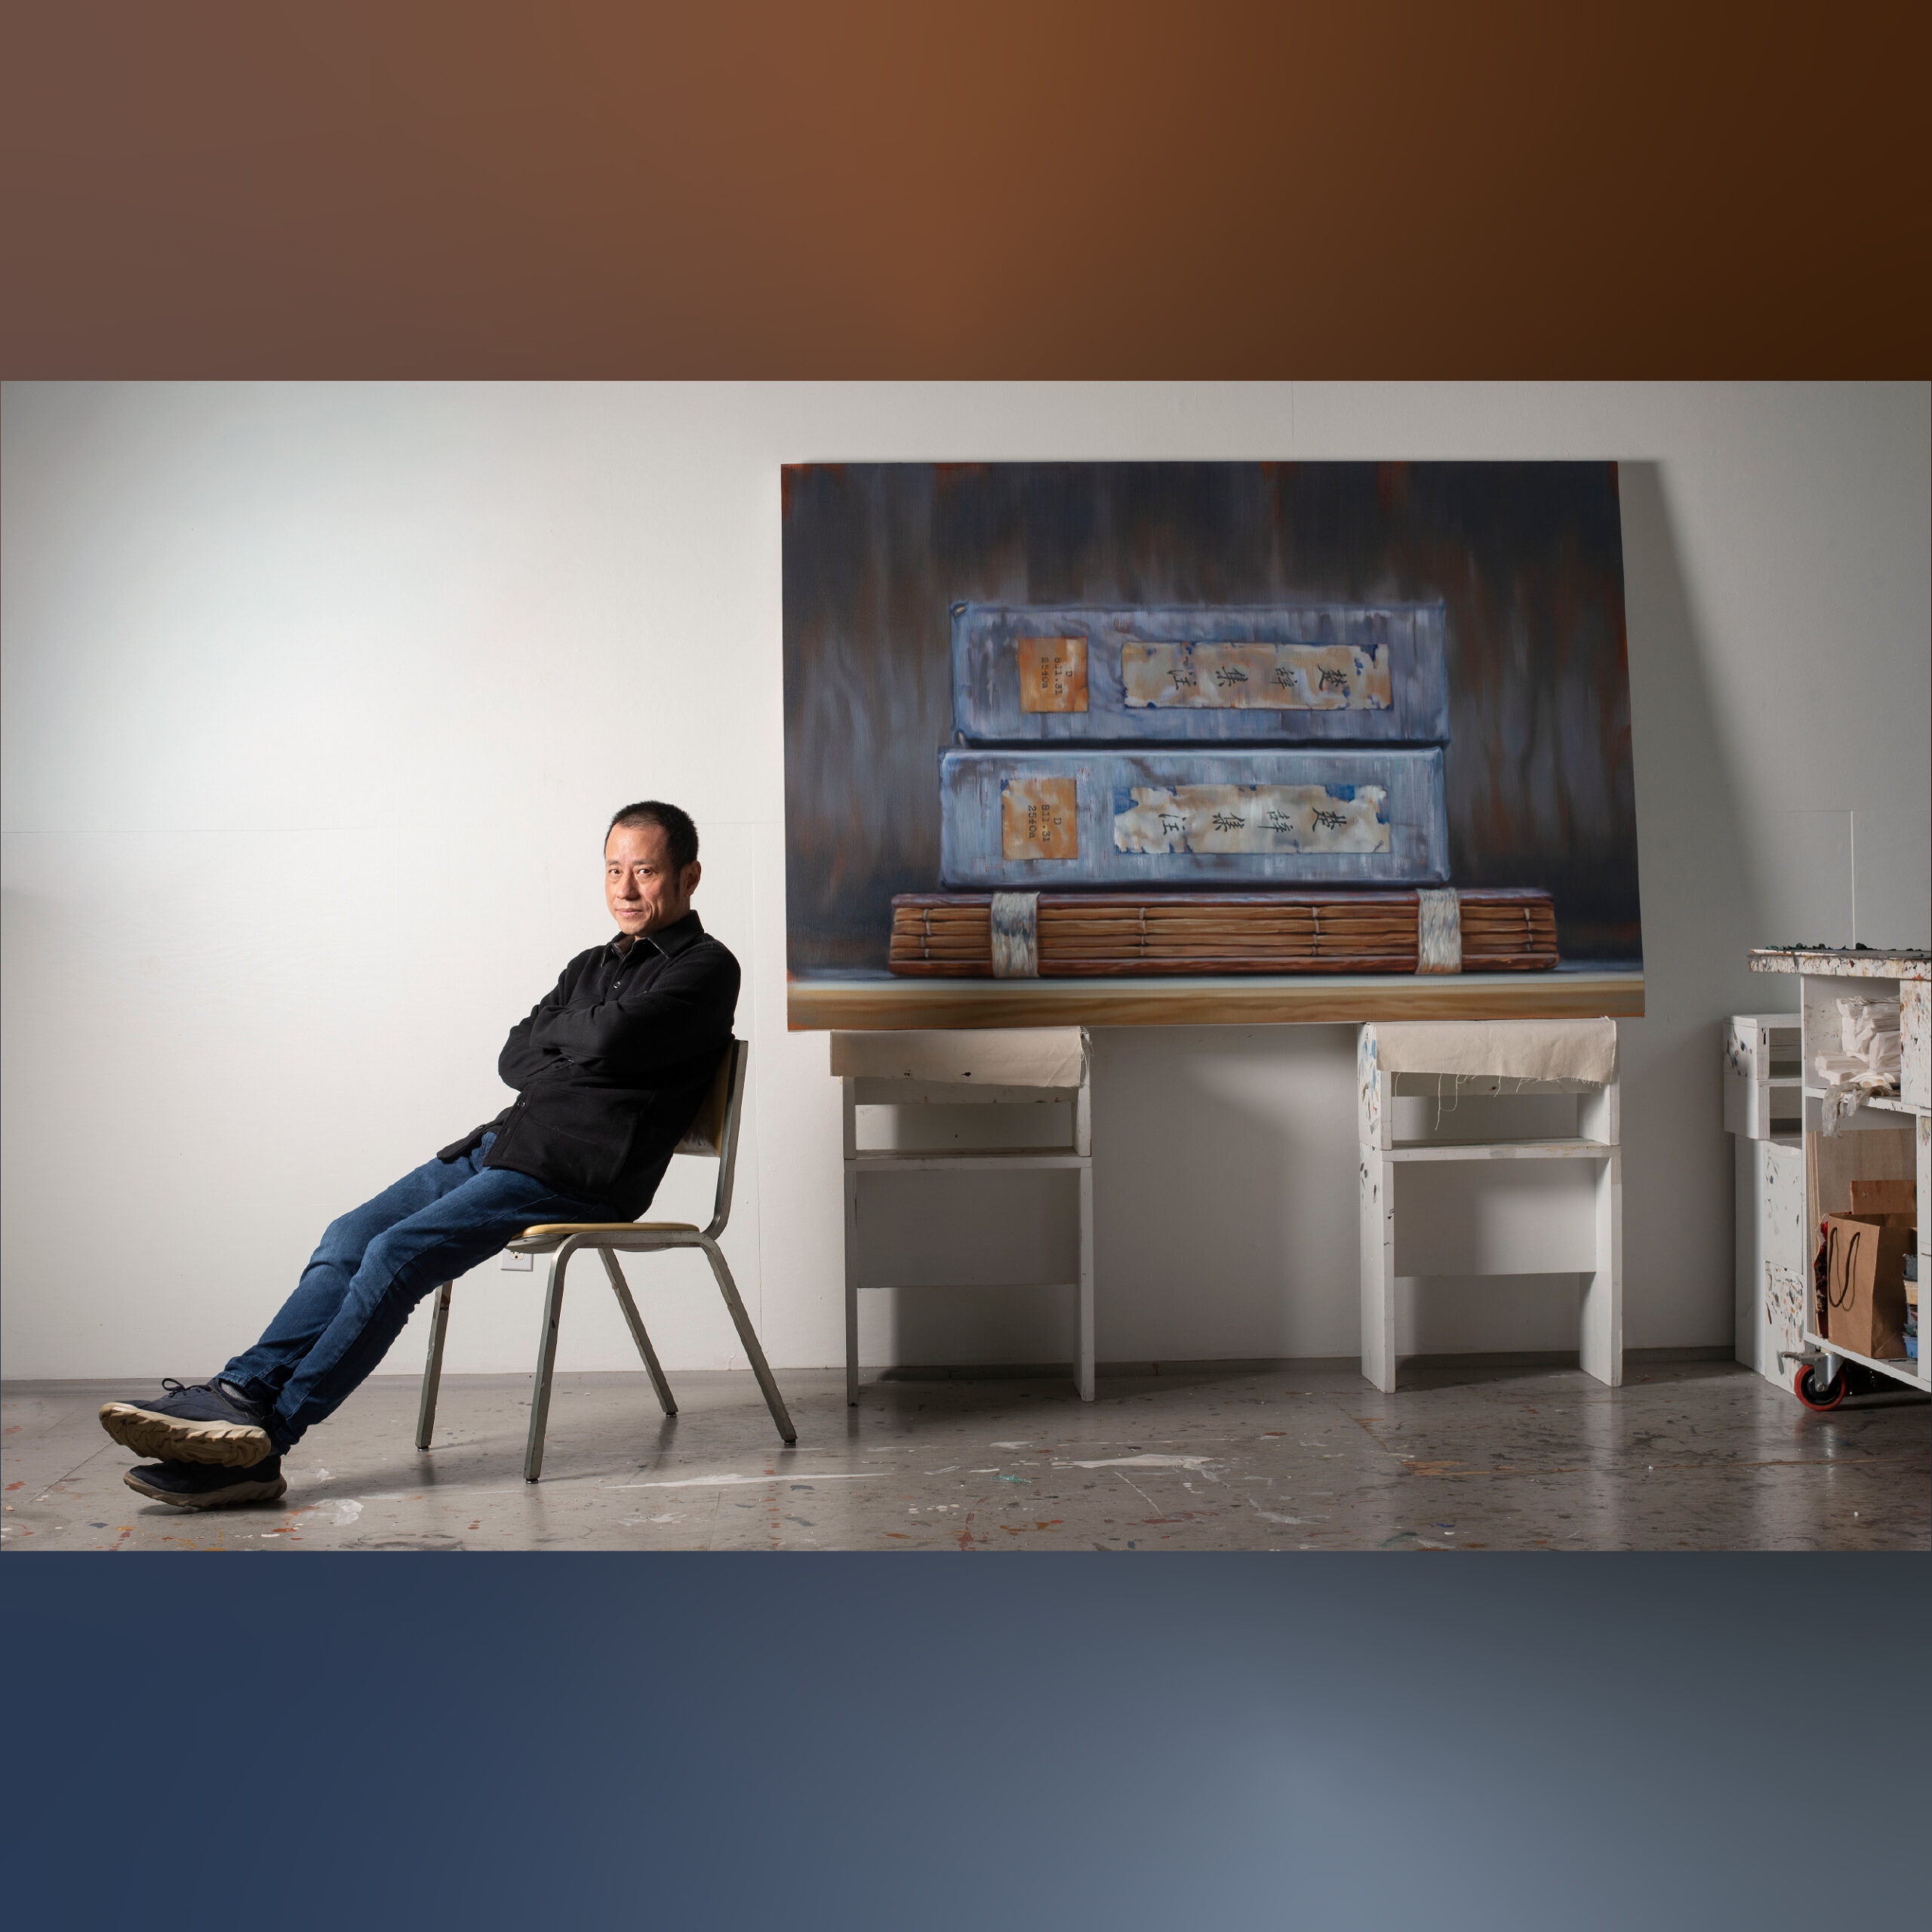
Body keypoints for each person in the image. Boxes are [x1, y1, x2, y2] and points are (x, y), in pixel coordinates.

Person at [98, 800, 740, 1510]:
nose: (624, 889)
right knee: (348, 1235)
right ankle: (241, 1391)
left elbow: (606, 1044)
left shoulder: (708, 968)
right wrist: (583, 1038)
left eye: (644, 872)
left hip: (579, 1172)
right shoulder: (590, 965)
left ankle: (268, 1439)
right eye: (613, 870)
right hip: (502, 1145)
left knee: (395, 1254)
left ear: (689, 876)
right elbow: (514, 1054)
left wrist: (575, 1038)